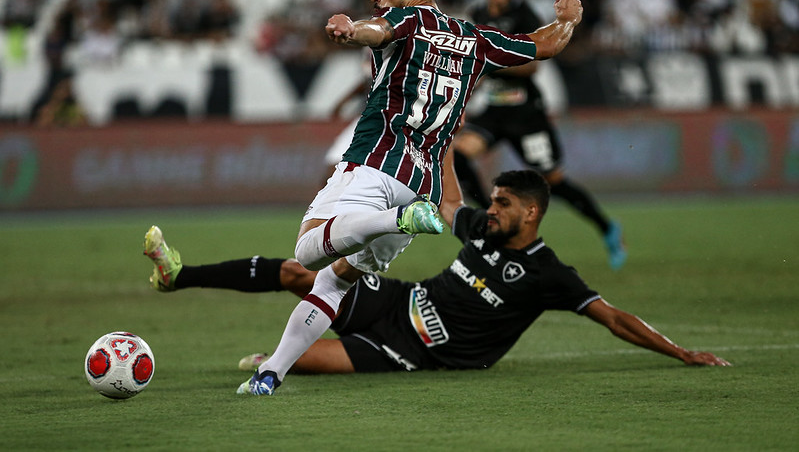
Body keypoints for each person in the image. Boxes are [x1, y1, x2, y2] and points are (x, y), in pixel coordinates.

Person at [147, 0, 582, 395]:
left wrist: (351, 29)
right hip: (423, 186)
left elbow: (380, 30)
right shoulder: (474, 39)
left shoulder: (409, 18)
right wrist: (568, 19)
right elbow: (543, 45)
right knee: (334, 285)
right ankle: (270, 373)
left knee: (309, 251)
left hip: (376, 164)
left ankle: (394, 218)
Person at [142, 163, 730, 379]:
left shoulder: (550, 273)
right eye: (491, 200)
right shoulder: (480, 228)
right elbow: (450, 198)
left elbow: (613, 318)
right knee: (305, 271)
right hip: (399, 301)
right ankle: (180, 274)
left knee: (301, 363)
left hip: (420, 351)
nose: (489, 210)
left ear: (531, 213)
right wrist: (445, 139)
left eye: (502, 203)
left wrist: (681, 353)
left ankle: (274, 362)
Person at [453, 0, 627, 270]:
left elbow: (531, 66)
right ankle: (486, 223)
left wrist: (494, 60)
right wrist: (464, 99)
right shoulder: (477, 14)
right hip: (494, 110)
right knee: (459, 155)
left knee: (554, 182)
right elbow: (475, 65)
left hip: (525, 114)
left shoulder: (524, 14)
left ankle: (607, 227)